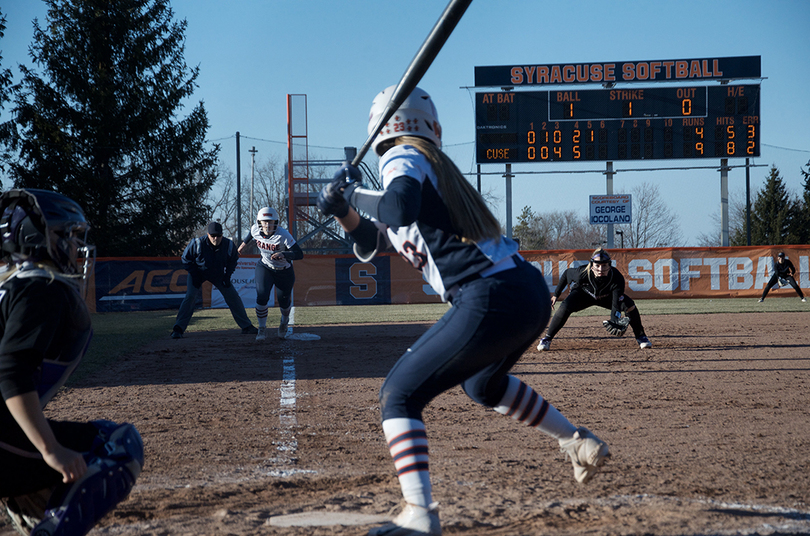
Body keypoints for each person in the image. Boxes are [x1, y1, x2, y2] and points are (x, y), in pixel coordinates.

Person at [317, 85, 609, 536]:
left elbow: (395, 208)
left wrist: (352, 191)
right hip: (522, 291)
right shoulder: (430, 167)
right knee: (482, 384)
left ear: (382, 128)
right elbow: (370, 241)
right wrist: (342, 209)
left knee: (398, 395)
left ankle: (419, 513)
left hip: (488, 294)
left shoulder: (402, 159)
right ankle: (576, 440)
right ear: (430, 124)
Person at [0, 189, 144, 536]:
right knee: (117, 443)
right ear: (38, 237)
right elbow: (11, 372)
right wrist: (51, 451)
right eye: (70, 234)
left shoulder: (10, 287)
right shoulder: (41, 289)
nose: (77, 246)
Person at [536, 248, 652, 351]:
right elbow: (567, 274)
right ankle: (547, 339)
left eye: (604, 265)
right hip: (583, 295)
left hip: (606, 297)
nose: (601, 269)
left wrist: (614, 319)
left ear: (609, 265)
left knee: (629, 305)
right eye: (597, 265)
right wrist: (556, 294)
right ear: (592, 265)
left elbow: (616, 302)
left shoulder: (616, 277)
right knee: (565, 306)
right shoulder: (582, 273)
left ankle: (641, 336)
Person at [171, 222, 258, 339]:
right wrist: (194, 274)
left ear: (222, 235)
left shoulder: (229, 245)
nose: (216, 238)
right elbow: (186, 258)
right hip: (198, 273)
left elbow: (233, 260)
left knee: (233, 296)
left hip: (218, 274)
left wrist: (227, 276)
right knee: (190, 296)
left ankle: (246, 326)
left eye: (218, 235)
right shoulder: (197, 243)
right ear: (208, 235)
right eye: (213, 236)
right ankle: (178, 328)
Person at [237, 207, 303, 340]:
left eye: (270, 222)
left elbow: (299, 254)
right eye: (264, 222)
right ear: (259, 222)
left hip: (284, 271)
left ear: (276, 222)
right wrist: (242, 245)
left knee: (284, 301)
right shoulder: (255, 229)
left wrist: (283, 254)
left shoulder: (283, 234)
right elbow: (250, 234)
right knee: (262, 296)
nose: (267, 225)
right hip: (265, 267)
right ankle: (262, 328)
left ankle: (284, 322)